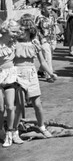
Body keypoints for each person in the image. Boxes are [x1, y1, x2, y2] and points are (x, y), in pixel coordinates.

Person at [13, 14, 57, 142]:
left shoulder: (34, 43)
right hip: (17, 73)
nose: (20, 32)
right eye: (19, 29)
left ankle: (41, 126)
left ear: (29, 30)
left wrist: (51, 73)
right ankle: (15, 129)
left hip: (31, 73)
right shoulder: (14, 43)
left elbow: (42, 62)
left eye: (23, 29)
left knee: (37, 104)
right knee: (19, 105)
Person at [0, 19, 22, 147]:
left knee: (10, 107)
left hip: (10, 75)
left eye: (16, 31)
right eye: (13, 31)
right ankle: (1, 131)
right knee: (0, 108)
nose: (15, 34)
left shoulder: (14, 43)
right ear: (5, 30)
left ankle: (11, 132)